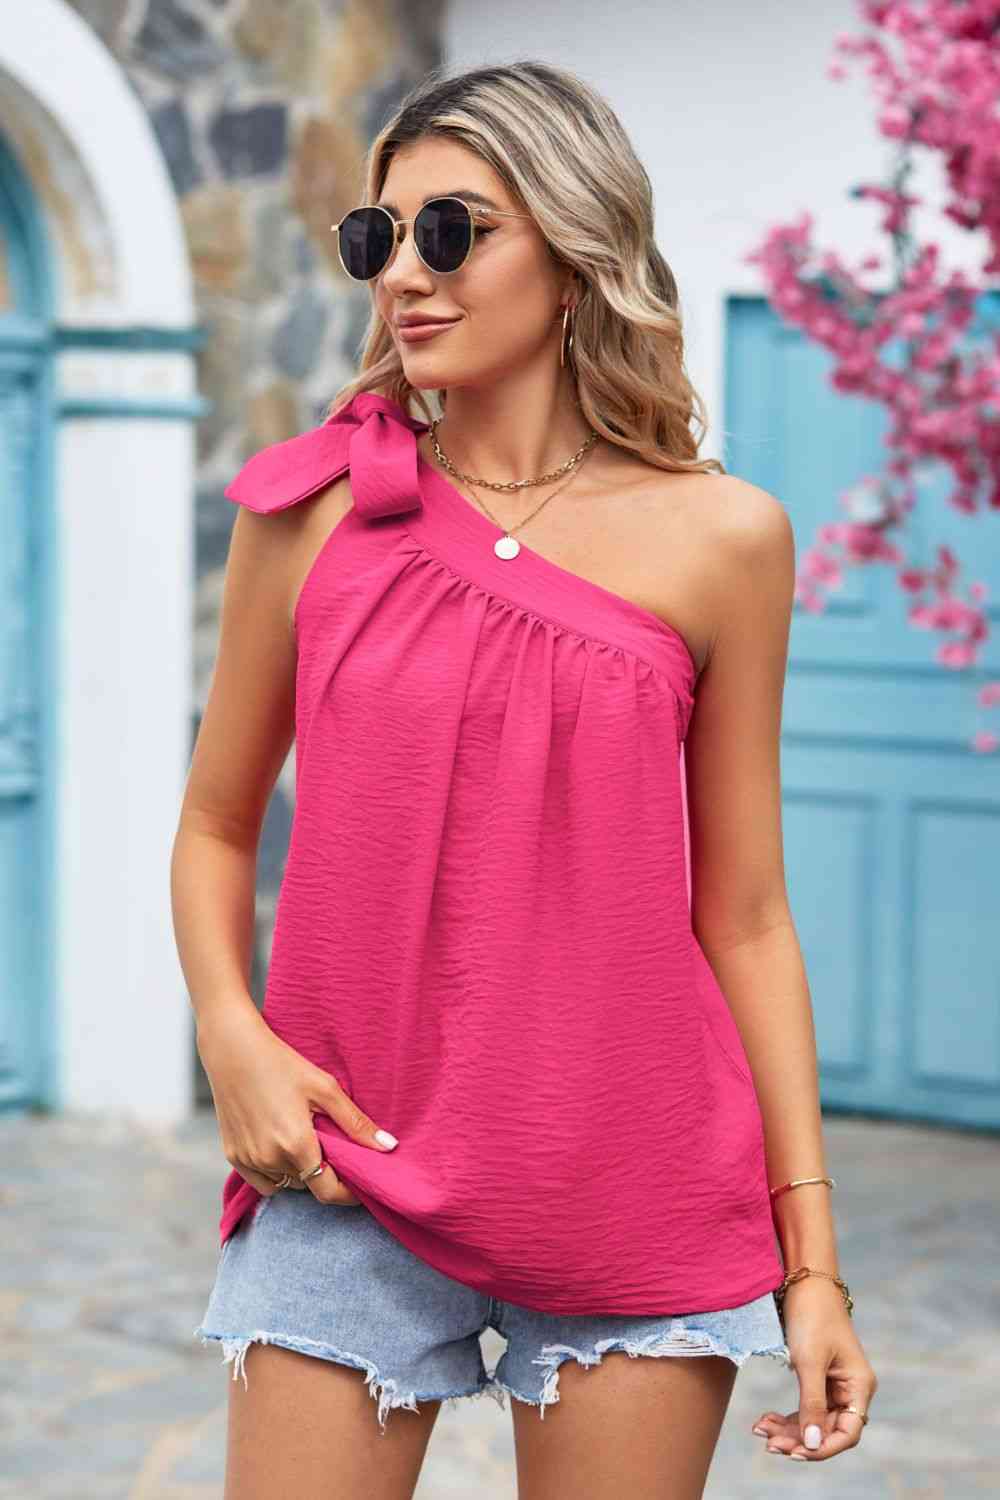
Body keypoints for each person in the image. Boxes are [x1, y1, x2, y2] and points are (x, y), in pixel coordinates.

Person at [172, 58, 878, 1500]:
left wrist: (813, 1263)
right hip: (344, 1167)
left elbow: (746, 914)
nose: (404, 274)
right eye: (378, 237)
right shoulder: (310, 513)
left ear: (574, 250)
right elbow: (215, 822)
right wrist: (231, 1034)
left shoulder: (725, 540)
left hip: (635, 1182)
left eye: (454, 231)